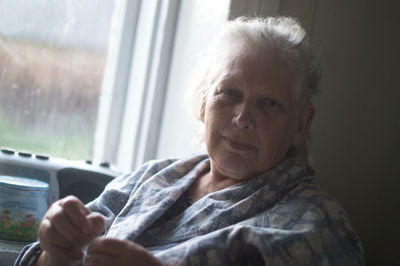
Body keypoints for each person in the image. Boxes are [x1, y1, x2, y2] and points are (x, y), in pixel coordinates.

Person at [15, 16, 364, 266]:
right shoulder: (153, 177)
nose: (243, 118)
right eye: (229, 93)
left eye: (270, 104)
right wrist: (55, 252)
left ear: (301, 125)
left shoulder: (314, 223)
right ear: (203, 102)